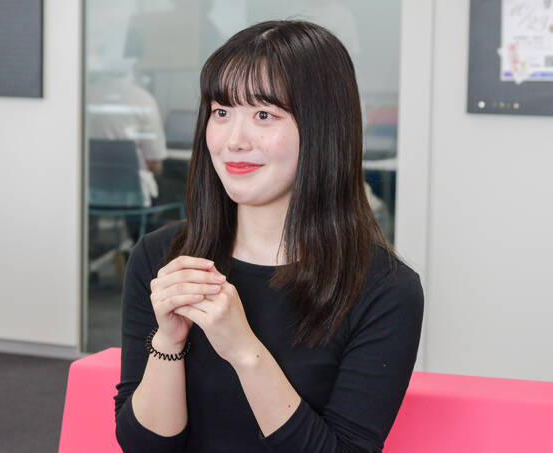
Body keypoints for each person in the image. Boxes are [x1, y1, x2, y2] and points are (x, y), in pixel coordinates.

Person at [114, 20, 424, 452]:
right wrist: (168, 341)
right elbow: (143, 447)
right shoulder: (162, 257)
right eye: (221, 112)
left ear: (323, 129)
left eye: (264, 115)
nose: (234, 141)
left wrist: (244, 350)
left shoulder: (386, 289)